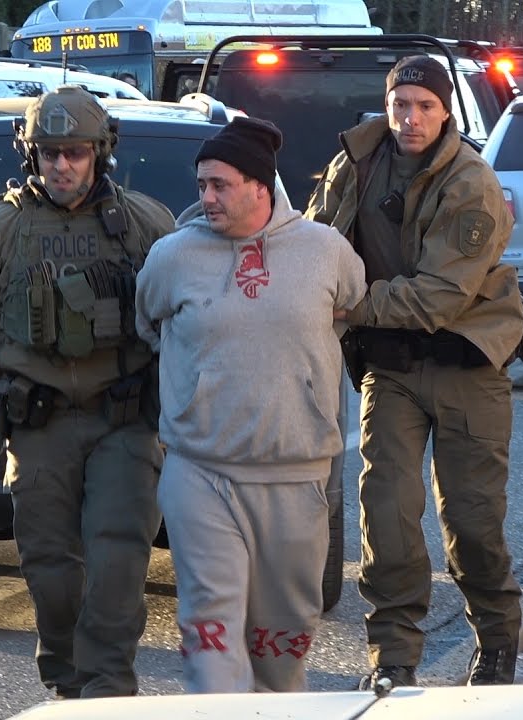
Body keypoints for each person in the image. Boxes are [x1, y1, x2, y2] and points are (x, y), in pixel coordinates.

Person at [0, 85, 174, 700]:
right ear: (29, 155)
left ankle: (108, 688)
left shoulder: (146, 225)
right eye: (48, 153)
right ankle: (68, 680)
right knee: (52, 571)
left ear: (100, 152)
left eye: (74, 152)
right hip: (38, 425)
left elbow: (187, 322)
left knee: (118, 562)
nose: (61, 165)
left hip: (125, 420)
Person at [304, 55, 523, 689]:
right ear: (387, 103)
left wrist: (351, 305)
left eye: (425, 105)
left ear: (446, 110)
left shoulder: (471, 181)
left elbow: (439, 296)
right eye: (401, 103)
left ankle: (496, 639)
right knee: (388, 518)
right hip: (390, 369)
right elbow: (318, 244)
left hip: (464, 367)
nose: (411, 117)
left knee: (473, 523)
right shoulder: (358, 163)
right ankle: (392, 661)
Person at [134, 117, 367, 693]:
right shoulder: (173, 256)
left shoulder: (325, 251)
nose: (206, 197)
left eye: (220, 185)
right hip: (202, 472)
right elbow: (149, 323)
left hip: (297, 477)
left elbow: (352, 307)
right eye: (202, 186)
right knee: (210, 634)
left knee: (280, 648)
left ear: (261, 186)